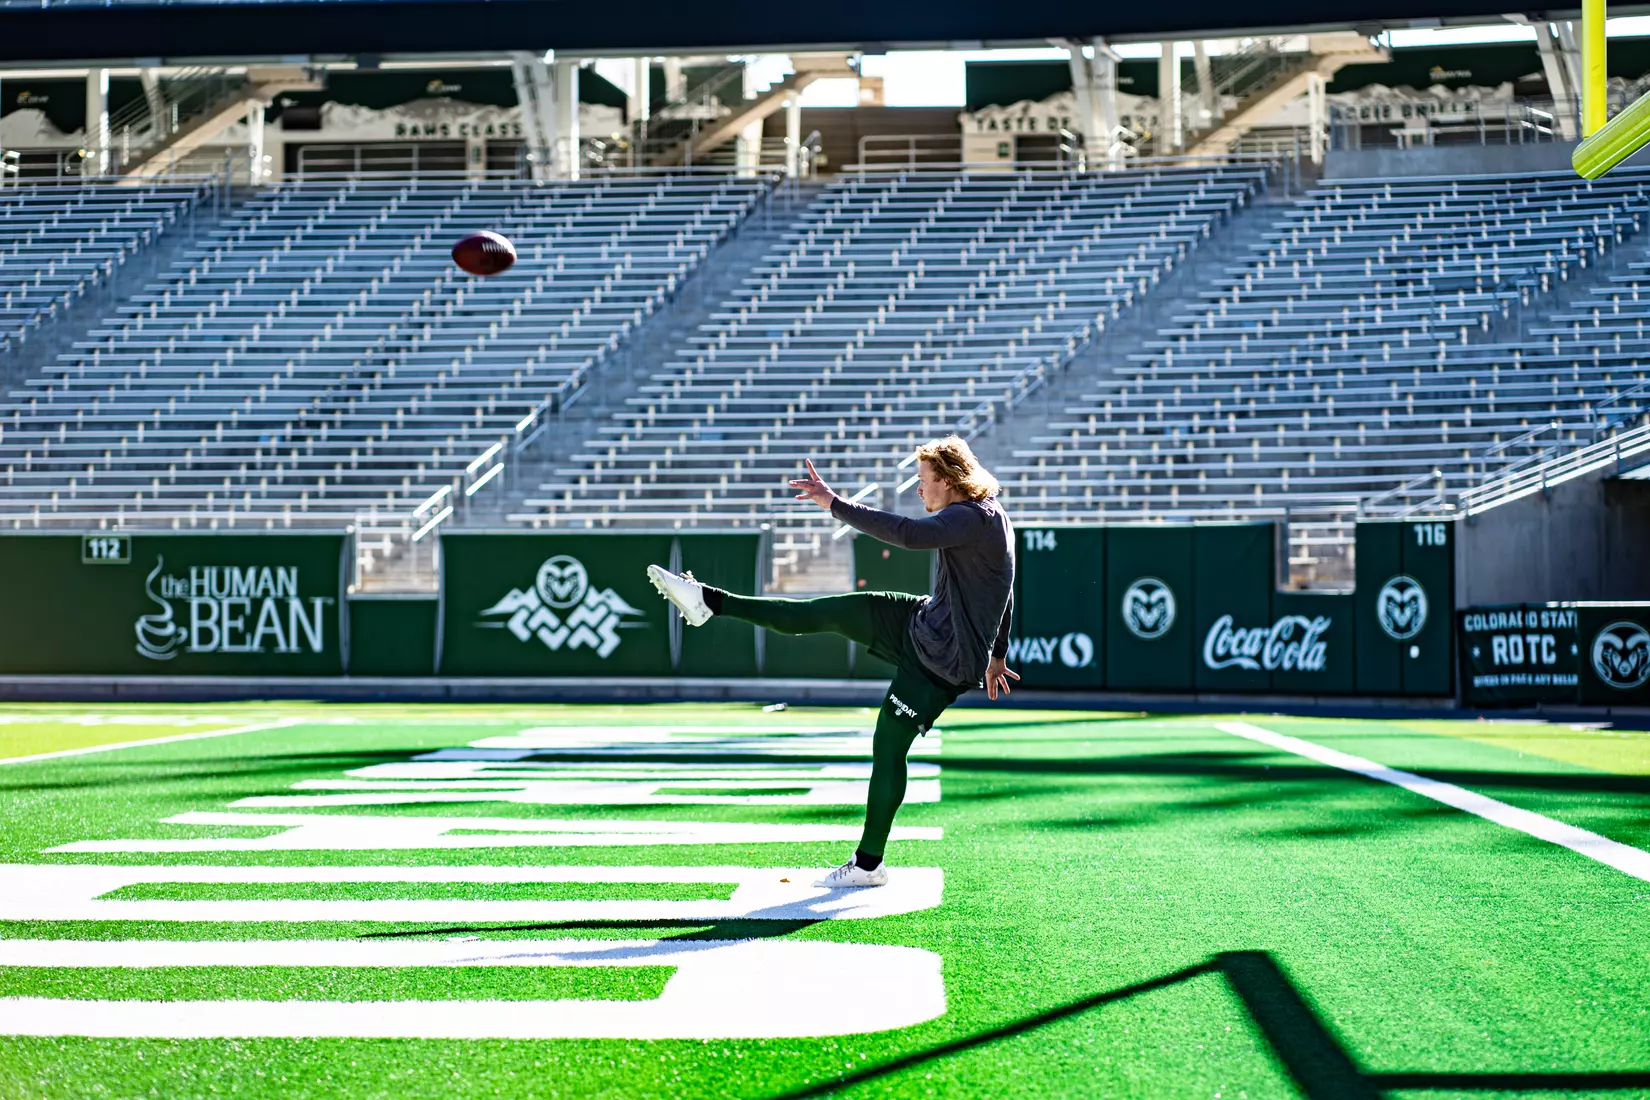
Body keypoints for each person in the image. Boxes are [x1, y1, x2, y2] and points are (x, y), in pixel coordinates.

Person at [645, 435, 1018, 889]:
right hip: (921, 621)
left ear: (948, 480)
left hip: (942, 660)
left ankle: (868, 865)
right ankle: (710, 601)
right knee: (821, 612)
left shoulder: (968, 517)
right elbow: (1008, 589)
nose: (918, 490)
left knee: (888, 746)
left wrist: (834, 503)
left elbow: (907, 535)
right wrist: (998, 654)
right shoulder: (989, 515)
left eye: (923, 481)